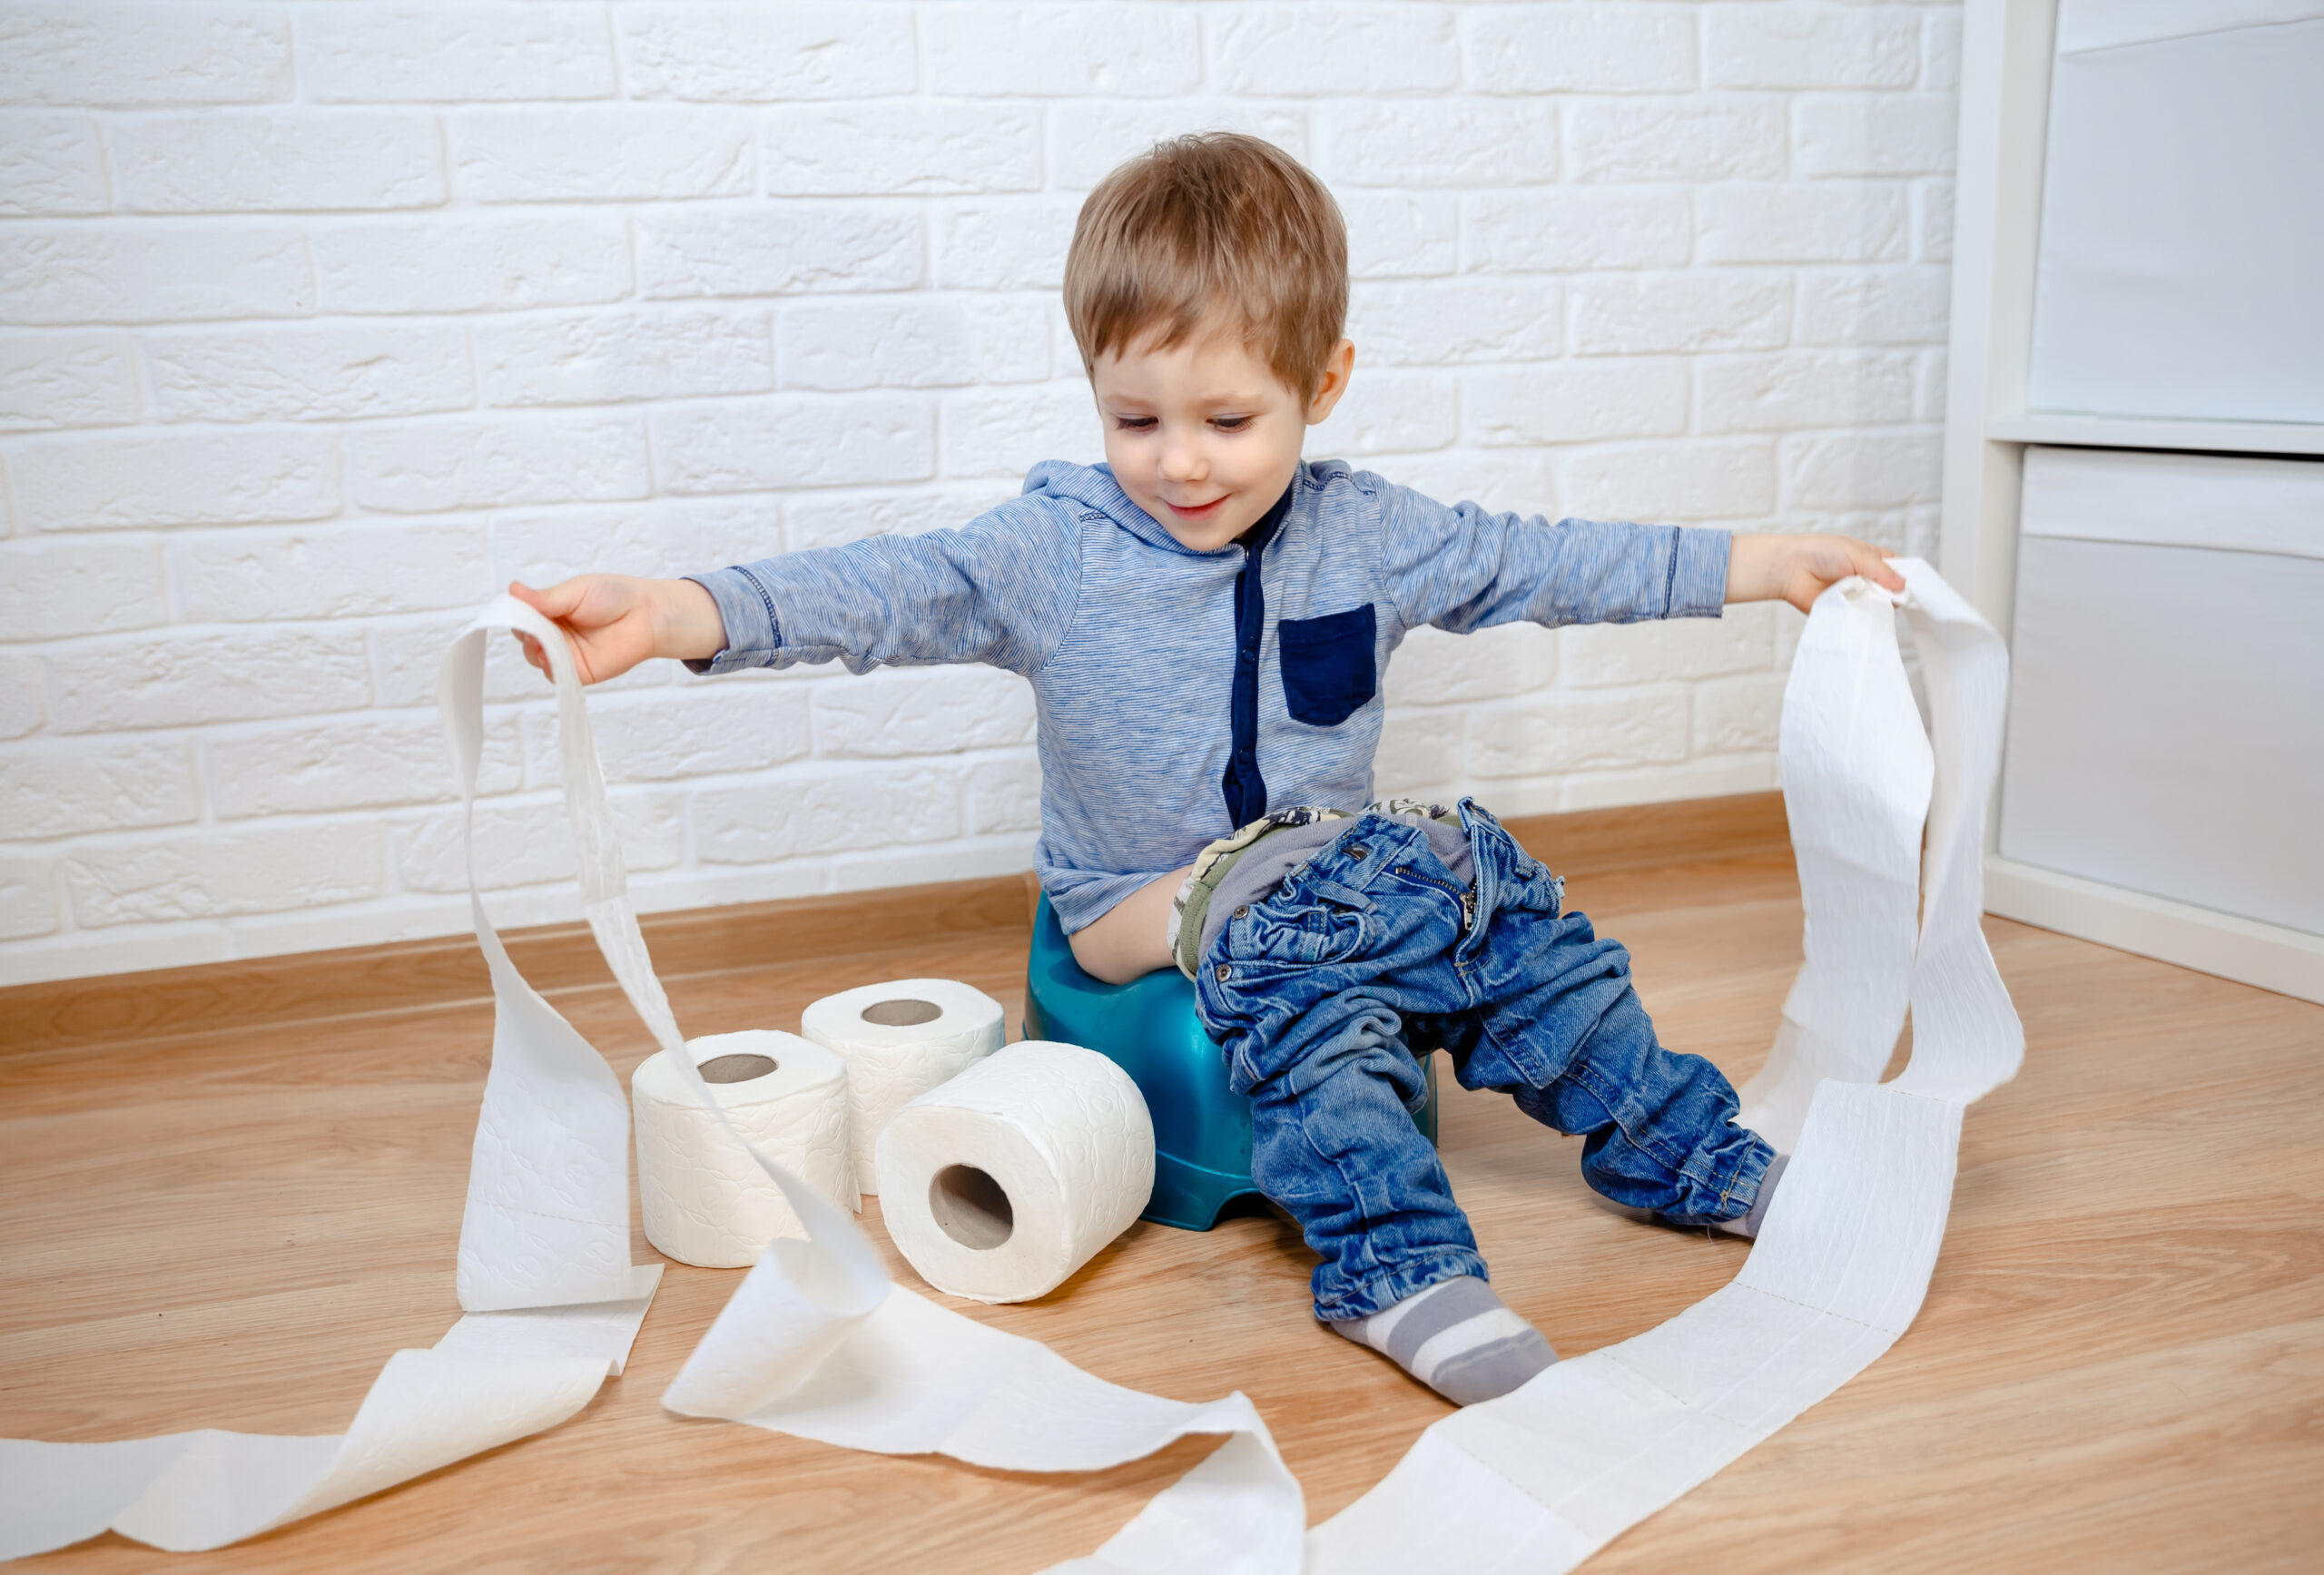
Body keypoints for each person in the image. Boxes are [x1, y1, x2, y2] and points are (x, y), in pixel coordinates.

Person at [511, 133, 1902, 1406]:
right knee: (1308, 971)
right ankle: (1397, 1265)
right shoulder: (1051, 553)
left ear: (1325, 383)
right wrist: (681, 610)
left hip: (1326, 874)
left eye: (1226, 422)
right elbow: (882, 590)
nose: (1177, 463)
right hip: (1131, 904)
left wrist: (1761, 567)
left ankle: (1695, 1156)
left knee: (1501, 911)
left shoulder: (1374, 536)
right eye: (1135, 420)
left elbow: (1550, 560)